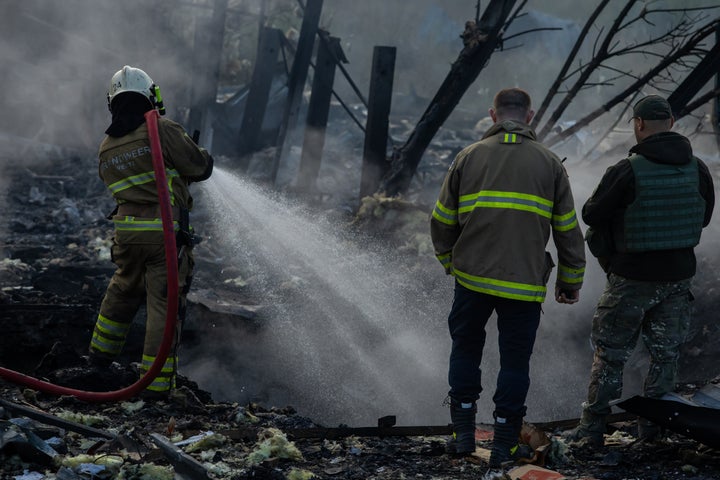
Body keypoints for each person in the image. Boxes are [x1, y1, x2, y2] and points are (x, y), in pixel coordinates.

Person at [430, 88, 586, 468]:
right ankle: (503, 444)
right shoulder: (549, 163)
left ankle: (463, 435)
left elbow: (441, 220)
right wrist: (570, 281)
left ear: (492, 114)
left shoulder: (468, 157)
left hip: (472, 279)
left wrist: (451, 262)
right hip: (524, 284)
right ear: (529, 116)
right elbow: (567, 229)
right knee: (515, 362)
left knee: (466, 349)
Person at [568, 94, 715, 446]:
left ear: (637, 125)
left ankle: (592, 430)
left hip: (631, 279)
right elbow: (705, 217)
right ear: (673, 124)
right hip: (678, 278)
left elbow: (591, 215)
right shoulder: (698, 168)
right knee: (665, 355)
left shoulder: (627, 169)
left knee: (611, 354)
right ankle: (654, 430)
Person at [88, 65, 213, 398]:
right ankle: (157, 387)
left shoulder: (107, 146)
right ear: (151, 97)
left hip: (127, 235)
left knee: (124, 289)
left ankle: (99, 356)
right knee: (164, 300)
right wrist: (199, 158)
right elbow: (199, 167)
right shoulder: (161, 129)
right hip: (163, 235)